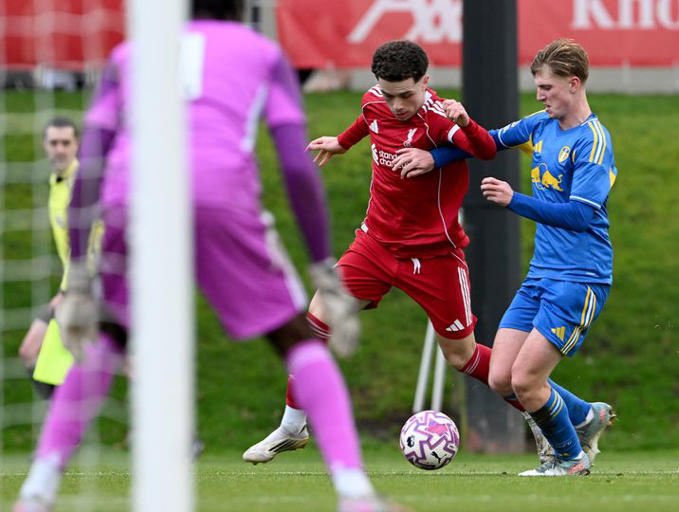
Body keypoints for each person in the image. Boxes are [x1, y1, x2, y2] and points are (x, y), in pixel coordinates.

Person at [13, 1, 402, 511]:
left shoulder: (132, 54)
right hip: (219, 192)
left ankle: (36, 492)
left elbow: (93, 158)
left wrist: (84, 271)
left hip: (133, 193)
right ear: (242, 7)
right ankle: (354, 494)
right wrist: (318, 261)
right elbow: (295, 163)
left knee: (107, 336)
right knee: (296, 336)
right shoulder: (262, 52)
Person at [243, 39, 603, 468]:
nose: (396, 105)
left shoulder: (439, 118)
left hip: (435, 256)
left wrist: (448, 145)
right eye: (388, 93)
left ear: (425, 83)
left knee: (465, 357)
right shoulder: (376, 101)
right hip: (374, 243)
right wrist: (342, 142)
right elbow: (369, 120)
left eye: (406, 95)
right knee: (316, 320)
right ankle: (292, 426)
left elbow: (484, 148)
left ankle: (569, 414)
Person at [394, 38, 617, 476]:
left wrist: (514, 200)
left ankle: (570, 460)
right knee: (500, 377)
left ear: (573, 85)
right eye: (537, 86)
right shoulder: (540, 124)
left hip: (580, 276)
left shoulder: (593, 143)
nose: (539, 95)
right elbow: (487, 143)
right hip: (542, 275)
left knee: (527, 381)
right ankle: (586, 417)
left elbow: (579, 215)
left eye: (547, 87)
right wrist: (433, 156)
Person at [18, 118, 88, 399]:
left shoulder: (83, 186)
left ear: (77, 145)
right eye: (54, 143)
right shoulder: (56, 183)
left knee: (122, 361)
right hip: (72, 287)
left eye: (66, 143)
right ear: (44, 146)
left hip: (88, 288)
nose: (60, 149)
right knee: (31, 352)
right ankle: (63, 436)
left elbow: (91, 247)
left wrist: (67, 291)